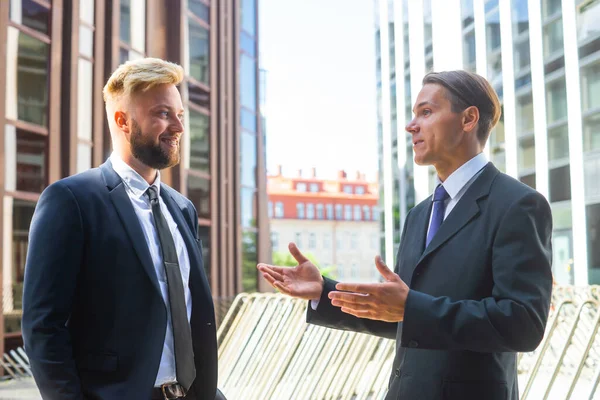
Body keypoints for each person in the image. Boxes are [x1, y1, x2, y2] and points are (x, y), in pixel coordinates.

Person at [258, 70, 553, 400]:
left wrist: (412, 307)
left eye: (426, 112)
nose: (411, 126)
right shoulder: (419, 215)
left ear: (469, 119)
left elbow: (522, 324)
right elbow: (403, 315)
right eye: (414, 114)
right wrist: (324, 292)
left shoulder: (518, 205)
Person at [22, 58, 224, 400]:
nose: (178, 127)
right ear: (123, 120)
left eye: (180, 115)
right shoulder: (70, 200)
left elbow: (190, 312)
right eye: (163, 114)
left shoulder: (183, 209)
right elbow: (44, 326)